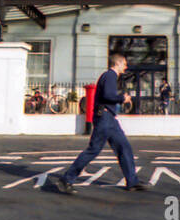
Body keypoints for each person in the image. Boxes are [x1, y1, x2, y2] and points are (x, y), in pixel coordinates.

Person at [52, 53, 146, 194]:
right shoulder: (110, 76)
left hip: (110, 119)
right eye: (124, 64)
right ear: (117, 63)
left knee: (124, 147)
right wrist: (122, 98)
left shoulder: (110, 76)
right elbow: (108, 95)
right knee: (93, 150)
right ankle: (66, 180)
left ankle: (132, 181)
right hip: (105, 118)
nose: (126, 67)